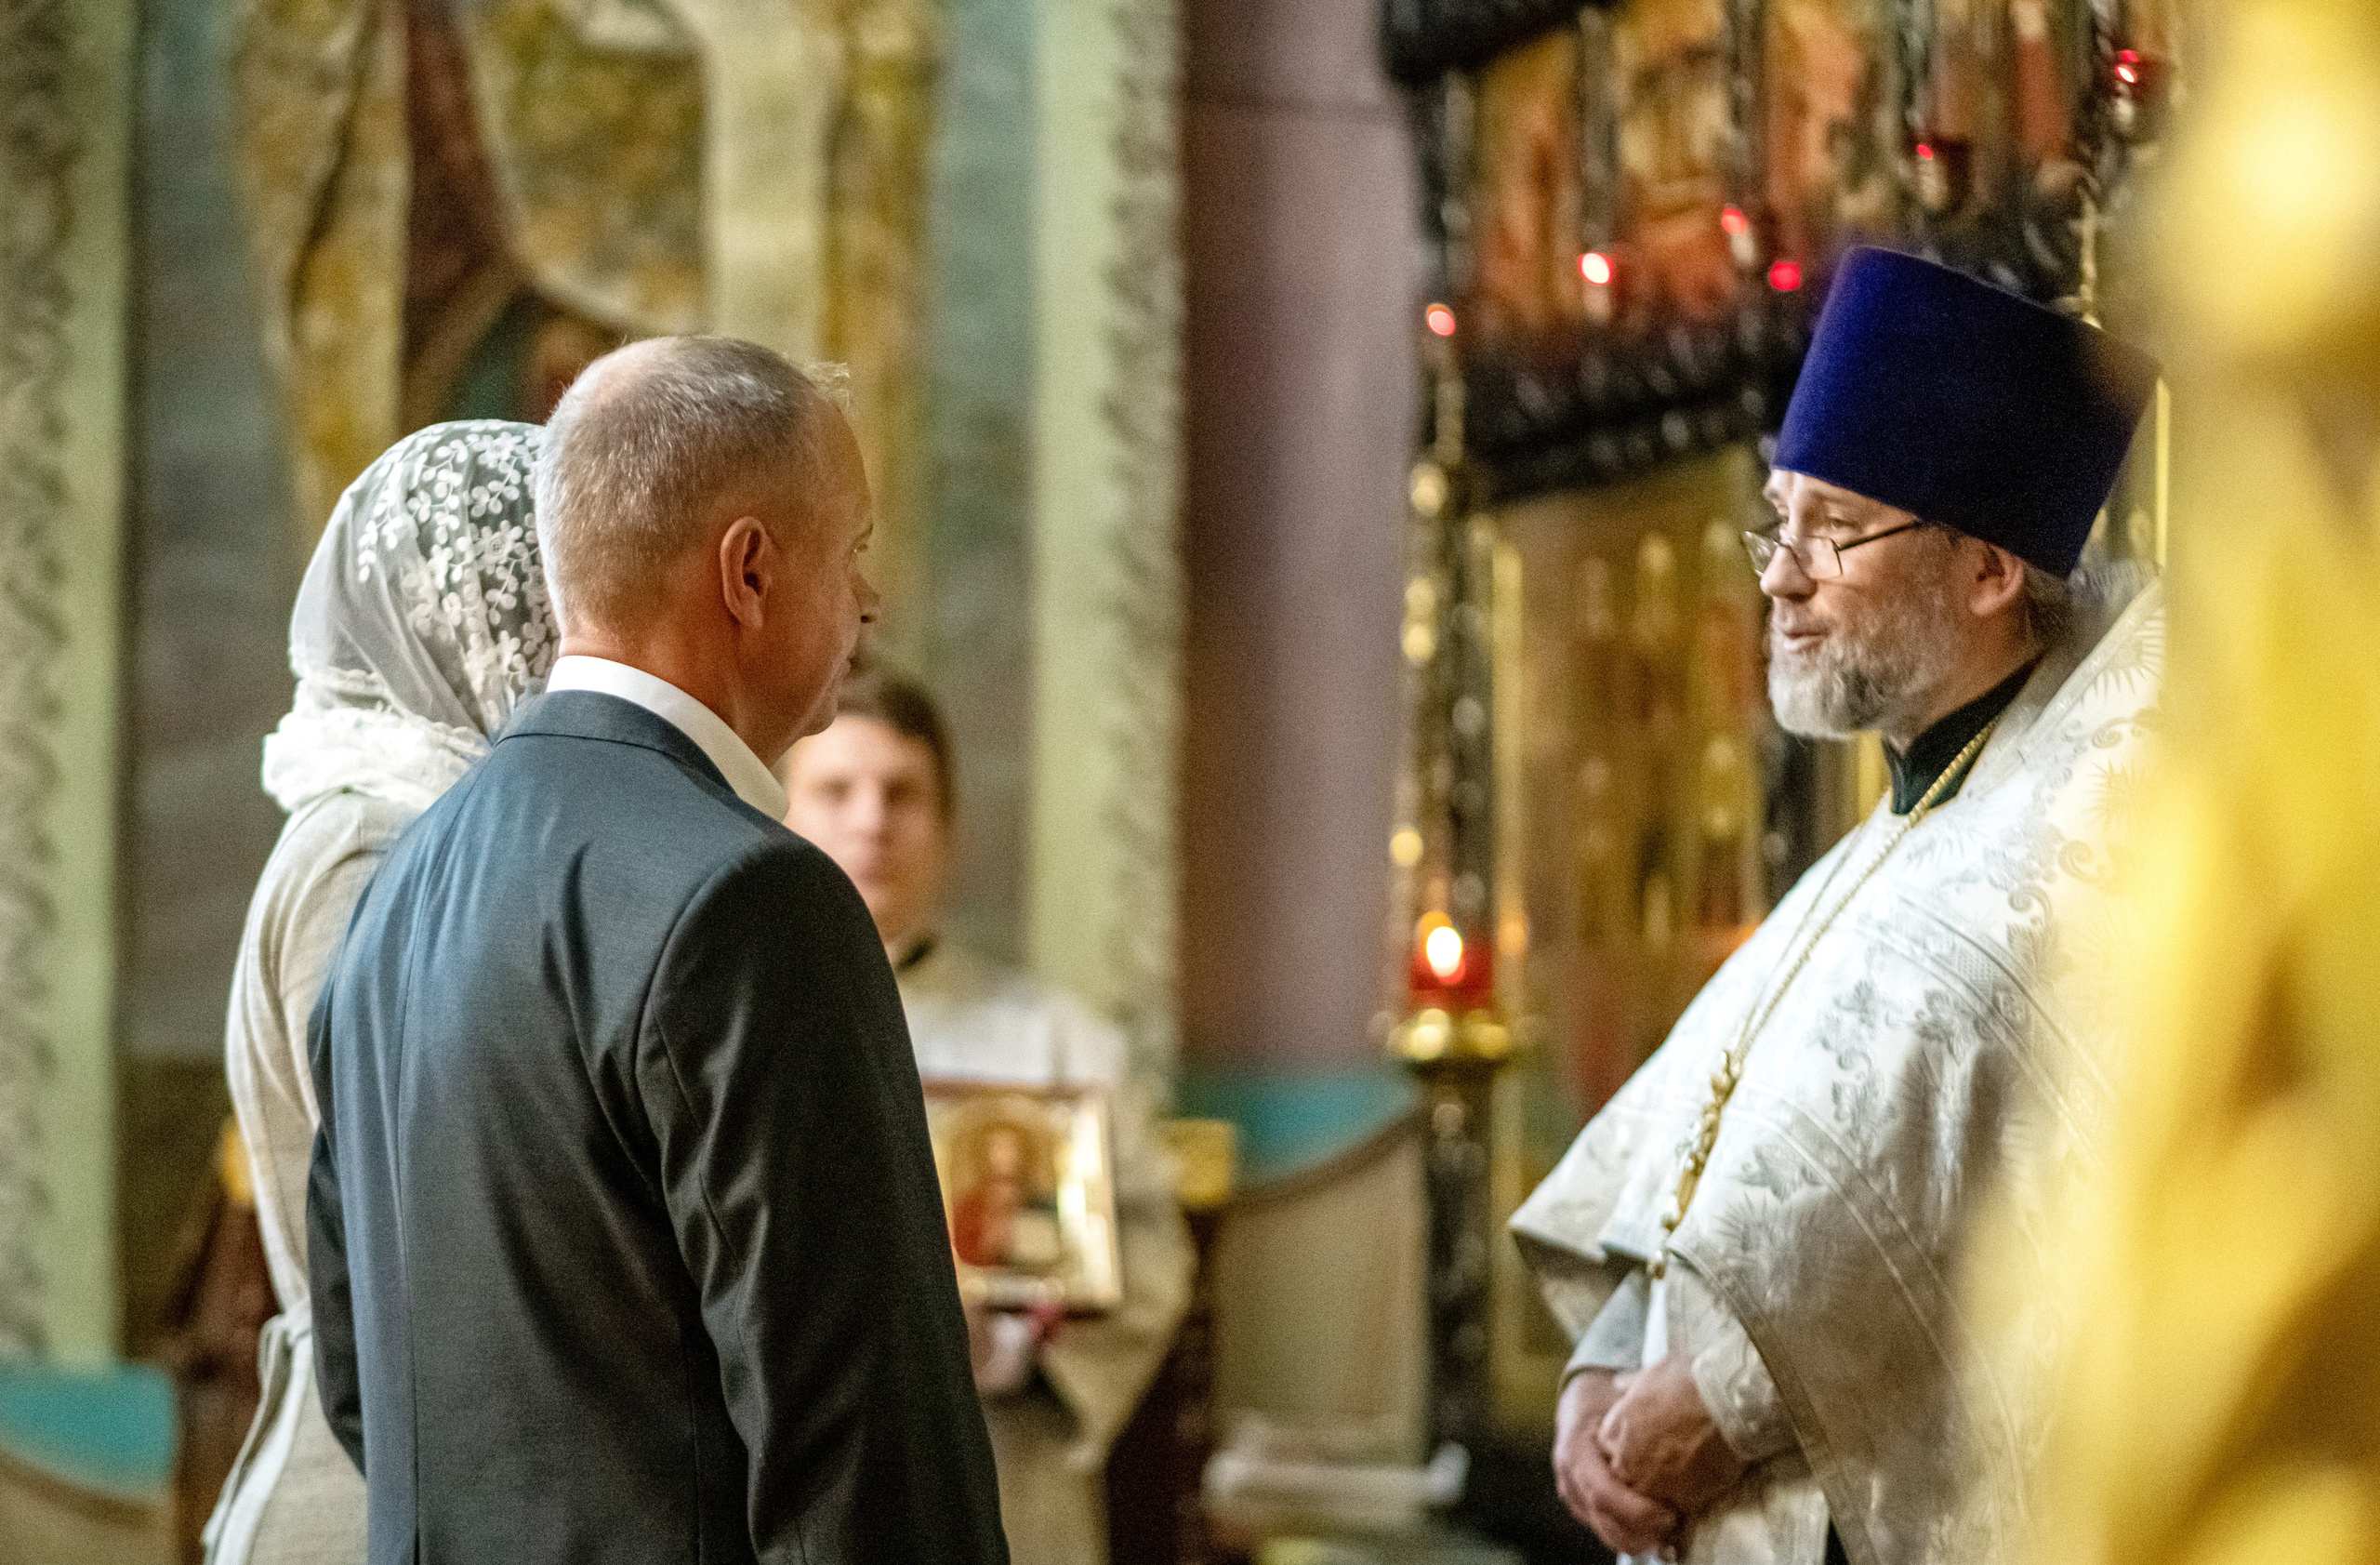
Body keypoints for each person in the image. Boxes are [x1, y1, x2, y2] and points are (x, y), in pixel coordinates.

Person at [306, 337, 1008, 1565]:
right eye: (850, 551)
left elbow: (359, 1374)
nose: (869, 601)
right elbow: (864, 1456)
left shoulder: (401, 886)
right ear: (749, 570)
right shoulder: (751, 895)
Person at [1510, 247, 2162, 1565]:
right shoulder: (1886, 840)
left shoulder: (2079, 844)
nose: (1777, 576)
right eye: (1778, 519)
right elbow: (1692, 1179)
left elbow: (2001, 1241)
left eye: (1833, 528)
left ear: (1988, 571)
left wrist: (1725, 1396)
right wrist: (1600, 1376)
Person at [202, 421, 556, 1565]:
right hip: (371, 1493)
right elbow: (418, 1212)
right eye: (556, 604)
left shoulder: (430, 822)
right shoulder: (374, 845)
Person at [783, 666, 1193, 1565]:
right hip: (794, 1488)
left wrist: (1007, 1352)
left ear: (948, 829)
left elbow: (1151, 1250)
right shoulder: (736, 1032)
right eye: (837, 790)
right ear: (781, 815)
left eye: (903, 793)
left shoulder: (1062, 1044)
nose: (872, 821)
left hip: (1007, 1482)